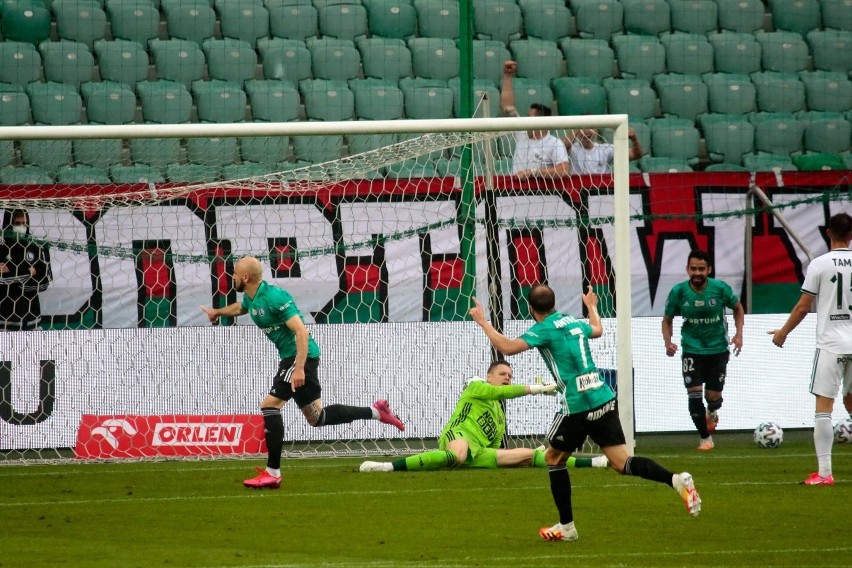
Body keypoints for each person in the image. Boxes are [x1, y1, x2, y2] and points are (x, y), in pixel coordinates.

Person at [470, 284, 701, 542]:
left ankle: (566, 527)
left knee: (553, 459)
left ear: (531, 309)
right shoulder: (572, 322)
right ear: (554, 304)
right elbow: (598, 329)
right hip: (603, 397)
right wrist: (591, 306)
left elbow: (508, 347)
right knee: (621, 463)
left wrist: (483, 322)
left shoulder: (543, 328)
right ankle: (675, 480)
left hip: (577, 405)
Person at [200, 256, 405, 489]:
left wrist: (298, 368)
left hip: (300, 358)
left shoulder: (275, 297)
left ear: (245, 278)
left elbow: (301, 332)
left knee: (269, 405)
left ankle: (272, 473)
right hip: (294, 359)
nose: (232, 276)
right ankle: (376, 412)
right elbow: (242, 307)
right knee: (317, 417)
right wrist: (218, 312)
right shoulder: (251, 297)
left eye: (235, 273)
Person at [359, 359, 609, 473]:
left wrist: (503, 456)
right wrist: (536, 388)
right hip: (458, 437)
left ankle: (596, 462)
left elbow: (493, 445)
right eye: (502, 374)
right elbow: (500, 392)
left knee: (533, 455)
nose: (507, 378)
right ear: (489, 377)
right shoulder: (476, 387)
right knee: (458, 454)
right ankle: (386, 467)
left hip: (479, 452)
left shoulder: (500, 414)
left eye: (509, 376)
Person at [771, 212, 852, 486]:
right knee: (851, 403)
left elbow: (804, 306)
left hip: (830, 344)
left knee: (824, 407)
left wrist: (783, 332)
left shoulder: (819, 264)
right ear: (851, 235)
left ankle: (825, 473)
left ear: (828, 232)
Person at [662, 250, 744, 451]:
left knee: (713, 397)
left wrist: (738, 334)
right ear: (687, 270)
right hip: (692, 350)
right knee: (694, 394)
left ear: (709, 270)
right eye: (693, 269)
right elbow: (667, 319)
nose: (697, 273)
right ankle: (705, 438)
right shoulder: (679, 292)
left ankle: (712, 411)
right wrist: (668, 342)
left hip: (717, 350)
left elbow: (738, 308)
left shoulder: (720, 289)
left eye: (701, 269)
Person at [500, 60, 571, 179]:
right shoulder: (522, 132)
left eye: (529, 117)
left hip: (540, 194)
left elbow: (563, 170)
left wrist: (533, 172)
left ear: (541, 122)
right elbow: (507, 106)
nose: (525, 120)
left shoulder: (554, 143)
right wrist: (507, 76)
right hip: (515, 192)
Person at [0, 209, 52, 331]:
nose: (22, 227)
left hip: (32, 320)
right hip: (4, 320)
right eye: (17, 223)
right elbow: (2, 280)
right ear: (9, 224)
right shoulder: (1, 248)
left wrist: (16, 278)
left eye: (25, 223)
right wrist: (30, 272)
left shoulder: (35, 246)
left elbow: (45, 282)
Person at [562, 127, 643, 175]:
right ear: (577, 132)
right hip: (579, 190)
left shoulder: (605, 149)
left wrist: (634, 140)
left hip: (603, 191)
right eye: (583, 128)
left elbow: (636, 154)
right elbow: (565, 145)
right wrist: (577, 127)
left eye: (590, 127)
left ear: (596, 131)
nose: (586, 131)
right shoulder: (572, 149)